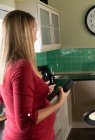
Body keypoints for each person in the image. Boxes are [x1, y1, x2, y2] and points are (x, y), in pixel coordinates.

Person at [0, 10, 69, 140]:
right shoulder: (22, 67)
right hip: (32, 135)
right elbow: (25, 121)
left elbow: (6, 97)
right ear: (23, 35)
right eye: (34, 32)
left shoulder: (7, 64)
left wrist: (38, 90)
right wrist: (59, 102)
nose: (36, 37)